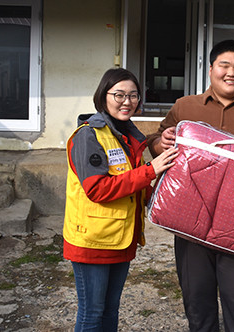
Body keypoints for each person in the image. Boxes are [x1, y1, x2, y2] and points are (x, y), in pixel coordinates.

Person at [147, 39, 234, 332]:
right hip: (189, 223)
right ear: (211, 68)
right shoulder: (185, 106)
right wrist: (160, 143)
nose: (231, 72)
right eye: (224, 65)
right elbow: (158, 141)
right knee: (197, 303)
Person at [63, 68, 178, 331]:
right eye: (119, 95)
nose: (127, 102)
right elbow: (98, 189)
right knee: (92, 314)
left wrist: (165, 196)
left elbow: (134, 185)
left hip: (120, 238)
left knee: (110, 311)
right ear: (103, 96)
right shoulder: (88, 136)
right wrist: (150, 171)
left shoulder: (128, 135)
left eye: (133, 95)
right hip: (93, 240)